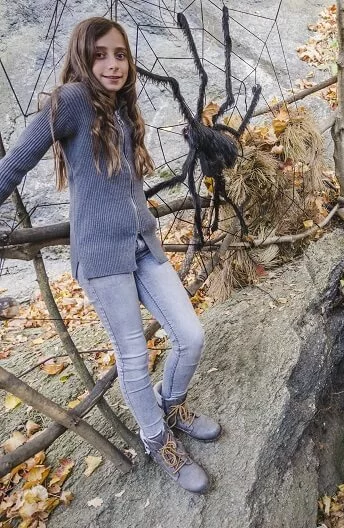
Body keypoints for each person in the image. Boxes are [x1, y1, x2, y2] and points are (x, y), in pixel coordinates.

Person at [0, 18, 221, 494]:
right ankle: (157, 438)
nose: (113, 64)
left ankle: (171, 404)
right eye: (101, 54)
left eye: (120, 54)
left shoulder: (122, 106)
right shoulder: (73, 100)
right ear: (83, 57)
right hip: (101, 258)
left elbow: (122, 184)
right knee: (134, 356)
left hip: (143, 244)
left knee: (191, 335)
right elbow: (17, 160)